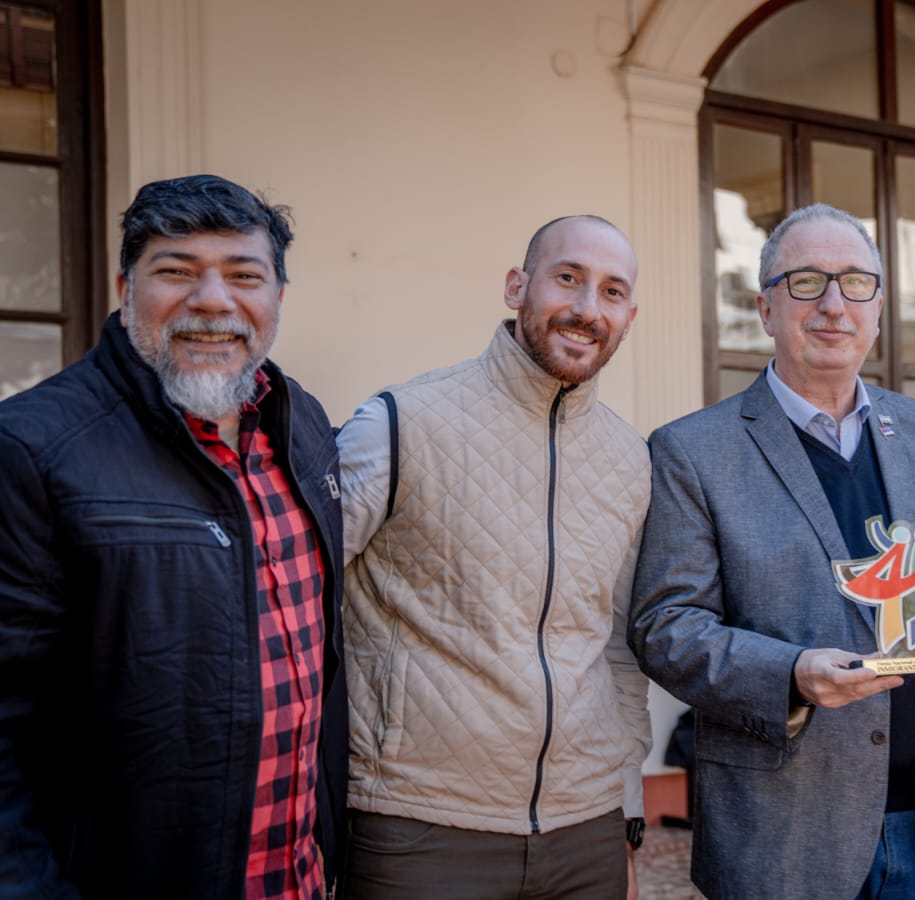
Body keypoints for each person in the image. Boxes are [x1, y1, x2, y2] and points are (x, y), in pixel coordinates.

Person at [630, 203, 915, 900]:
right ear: (765, 308)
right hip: (783, 830)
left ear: (879, 309)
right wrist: (791, 675)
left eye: (856, 283)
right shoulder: (692, 451)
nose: (834, 305)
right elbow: (666, 627)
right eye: (806, 282)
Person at [0, 174, 347, 898]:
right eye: (177, 271)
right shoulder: (31, 450)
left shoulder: (302, 425)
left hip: (298, 879)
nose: (213, 301)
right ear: (126, 289)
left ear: (278, 296)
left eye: (244, 275)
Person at [337, 215, 651, 899]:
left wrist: (625, 810)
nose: (587, 308)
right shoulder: (397, 423)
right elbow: (295, 603)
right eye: (567, 277)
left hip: (586, 831)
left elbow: (617, 648)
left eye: (612, 291)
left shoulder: (632, 460)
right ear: (517, 287)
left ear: (629, 317)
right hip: (419, 825)